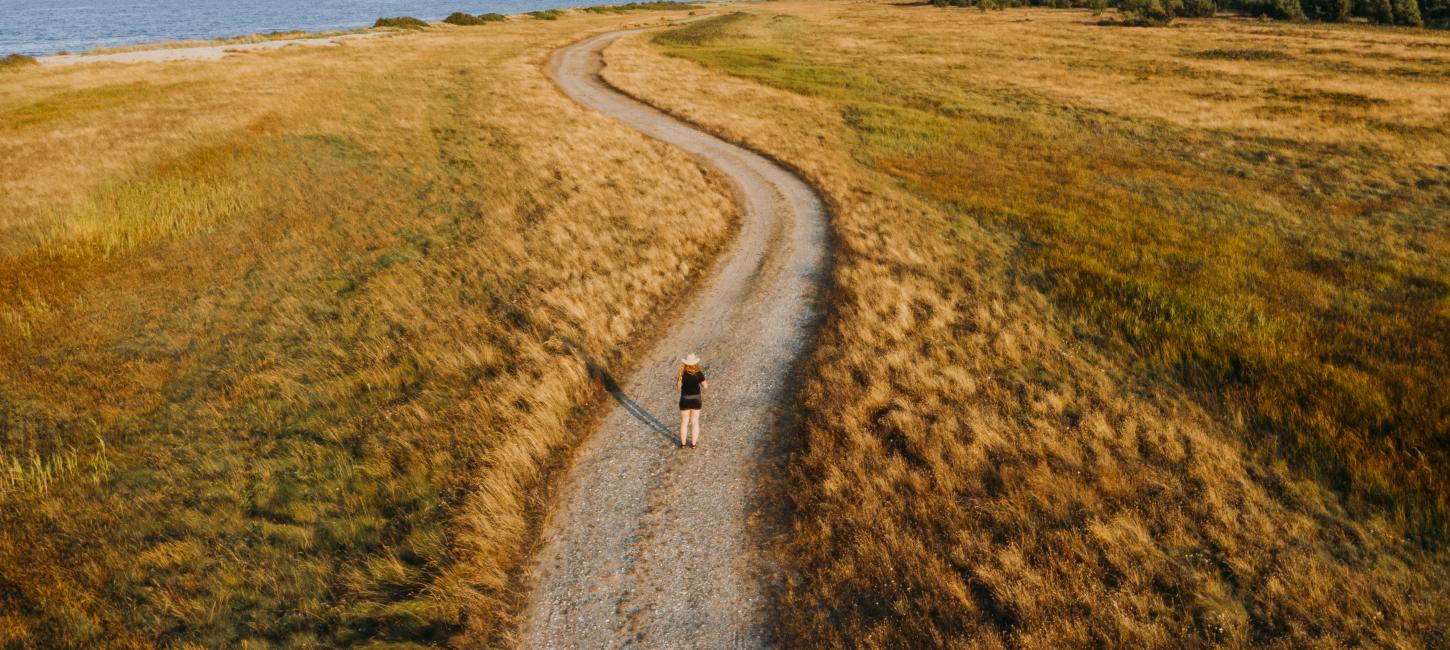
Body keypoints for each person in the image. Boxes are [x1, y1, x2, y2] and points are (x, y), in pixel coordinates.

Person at [676, 353, 707, 449]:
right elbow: (706, 386)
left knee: (684, 421)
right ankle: (693, 444)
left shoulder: (682, 373)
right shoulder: (698, 373)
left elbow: (678, 387)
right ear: (695, 363)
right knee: (694, 421)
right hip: (696, 399)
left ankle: (683, 444)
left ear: (685, 363)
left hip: (684, 399)